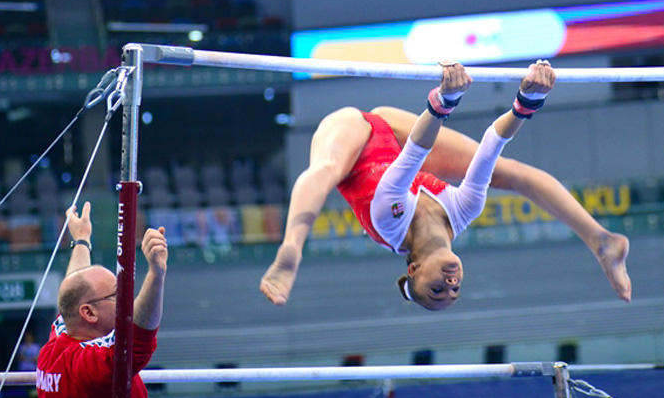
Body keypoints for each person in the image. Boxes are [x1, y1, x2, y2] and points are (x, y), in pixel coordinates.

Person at [258, 60, 631, 310]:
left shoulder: (391, 222)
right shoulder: (464, 212)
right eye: (455, 290)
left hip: (357, 138)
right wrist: (527, 100)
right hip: (399, 129)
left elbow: (413, 158)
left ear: (415, 271)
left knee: (325, 169)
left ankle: (290, 249)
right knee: (506, 170)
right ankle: (602, 240)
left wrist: (445, 100)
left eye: (438, 289)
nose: (451, 284)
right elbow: (491, 146)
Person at [36, 202, 169, 398]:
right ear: (89, 313)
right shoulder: (88, 365)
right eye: (117, 295)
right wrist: (156, 273)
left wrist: (82, 240)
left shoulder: (56, 344)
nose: (126, 302)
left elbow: (76, 286)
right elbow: (139, 338)